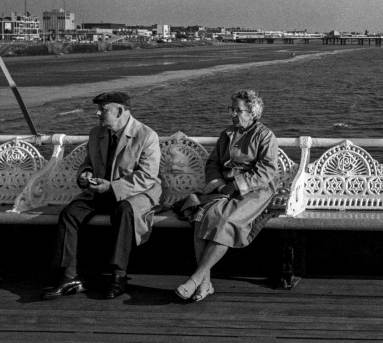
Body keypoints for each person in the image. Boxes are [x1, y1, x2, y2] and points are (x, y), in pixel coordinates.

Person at [43, 90, 162, 300]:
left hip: (135, 193)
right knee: (70, 213)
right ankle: (68, 276)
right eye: (98, 109)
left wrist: (112, 187)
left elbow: (147, 177)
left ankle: (118, 275)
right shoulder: (96, 133)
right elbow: (87, 163)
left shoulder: (146, 135)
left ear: (119, 111)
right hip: (100, 191)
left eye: (102, 109)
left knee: (124, 211)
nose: (98, 114)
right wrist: (84, 175)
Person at [175, 89, 279, 302]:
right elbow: (213, 163)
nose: (232, 114)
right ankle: (205, 283)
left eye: (237, 110)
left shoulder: (265, 135)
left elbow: (267, 170)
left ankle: (195, 280)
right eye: (231, 109)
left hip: (256, 190)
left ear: (252, 112)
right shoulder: (227, 134)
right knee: (200, 217)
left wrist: (237, 185)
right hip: (225, 189)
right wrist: (221, 185)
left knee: (225, 221)